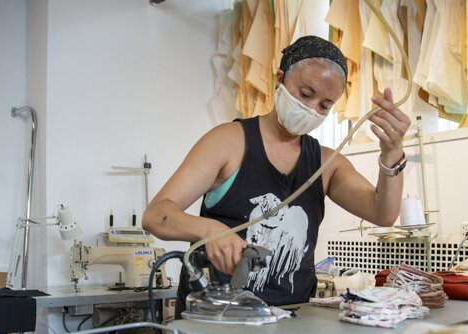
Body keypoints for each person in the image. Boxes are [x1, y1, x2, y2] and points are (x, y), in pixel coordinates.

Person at [143, 36, 410, 317]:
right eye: (305, 94)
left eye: (325, 105)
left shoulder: (326, 163)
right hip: (218, 319)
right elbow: (156, 215)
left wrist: (392, 154)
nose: (312, 108)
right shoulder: (228, 142)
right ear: (280, 79)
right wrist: (209, 230)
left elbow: (383, 214)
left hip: (290, 322)